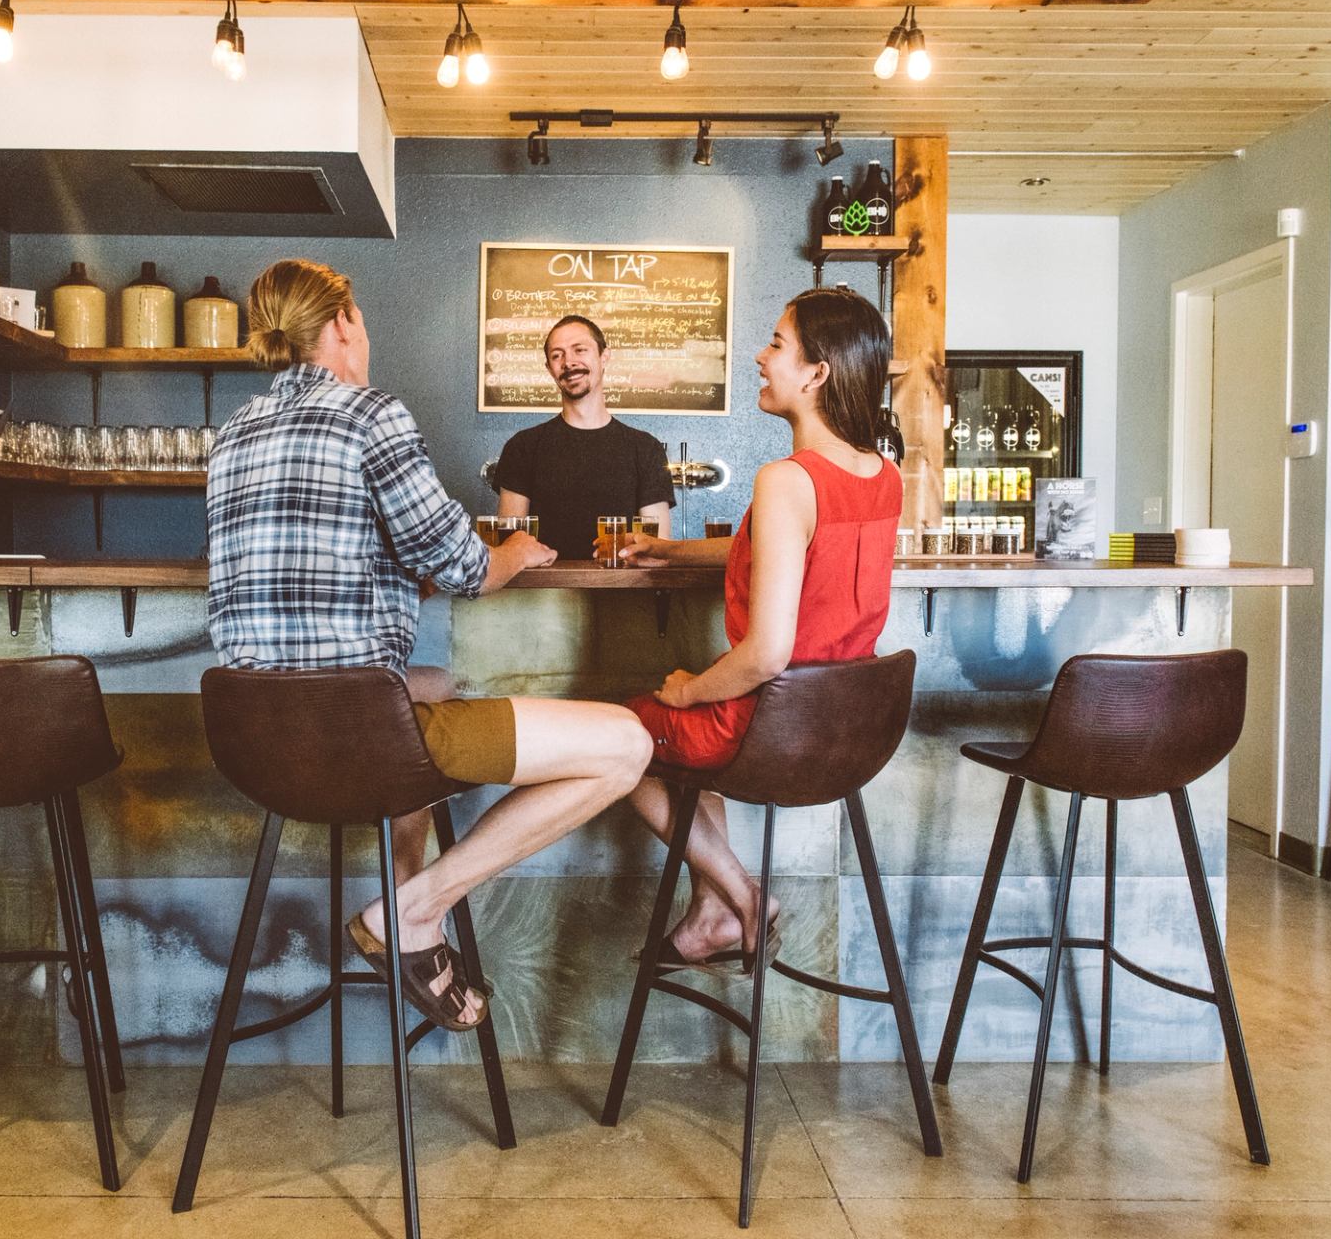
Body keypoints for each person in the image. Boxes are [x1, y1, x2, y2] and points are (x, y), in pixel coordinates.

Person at [207, 259, 653, 1030]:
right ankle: (415, 910)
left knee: (435, 681)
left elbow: (316, 574)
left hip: (259, 743)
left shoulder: (231, 435)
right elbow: (466, 565)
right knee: (627, 744)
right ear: (343, 323)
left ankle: (415, 921)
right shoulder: (370, 414)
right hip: (358, 734)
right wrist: (518, 553)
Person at [618, 288, 903, 968]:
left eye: (776, 343)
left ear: (816, 373)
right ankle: (714, 910)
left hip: (768, 721)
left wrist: (689, 692)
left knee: (621, 737)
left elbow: (767, 653)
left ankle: (742, 897)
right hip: (841, 725)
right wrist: (672, 550)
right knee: (687, 745)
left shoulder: (787, 479)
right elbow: (797, 550)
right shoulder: (883, 474)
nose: (759, 355)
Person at [493, 315, 675, 559]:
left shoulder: (645, 449)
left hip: (625, 594)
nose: (569, 362)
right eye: (557, 355)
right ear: (549, 369)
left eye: (580, 350)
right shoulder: (522, 447)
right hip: (541, 595)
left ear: (604, 356)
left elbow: (657, 548)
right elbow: (510, 547)